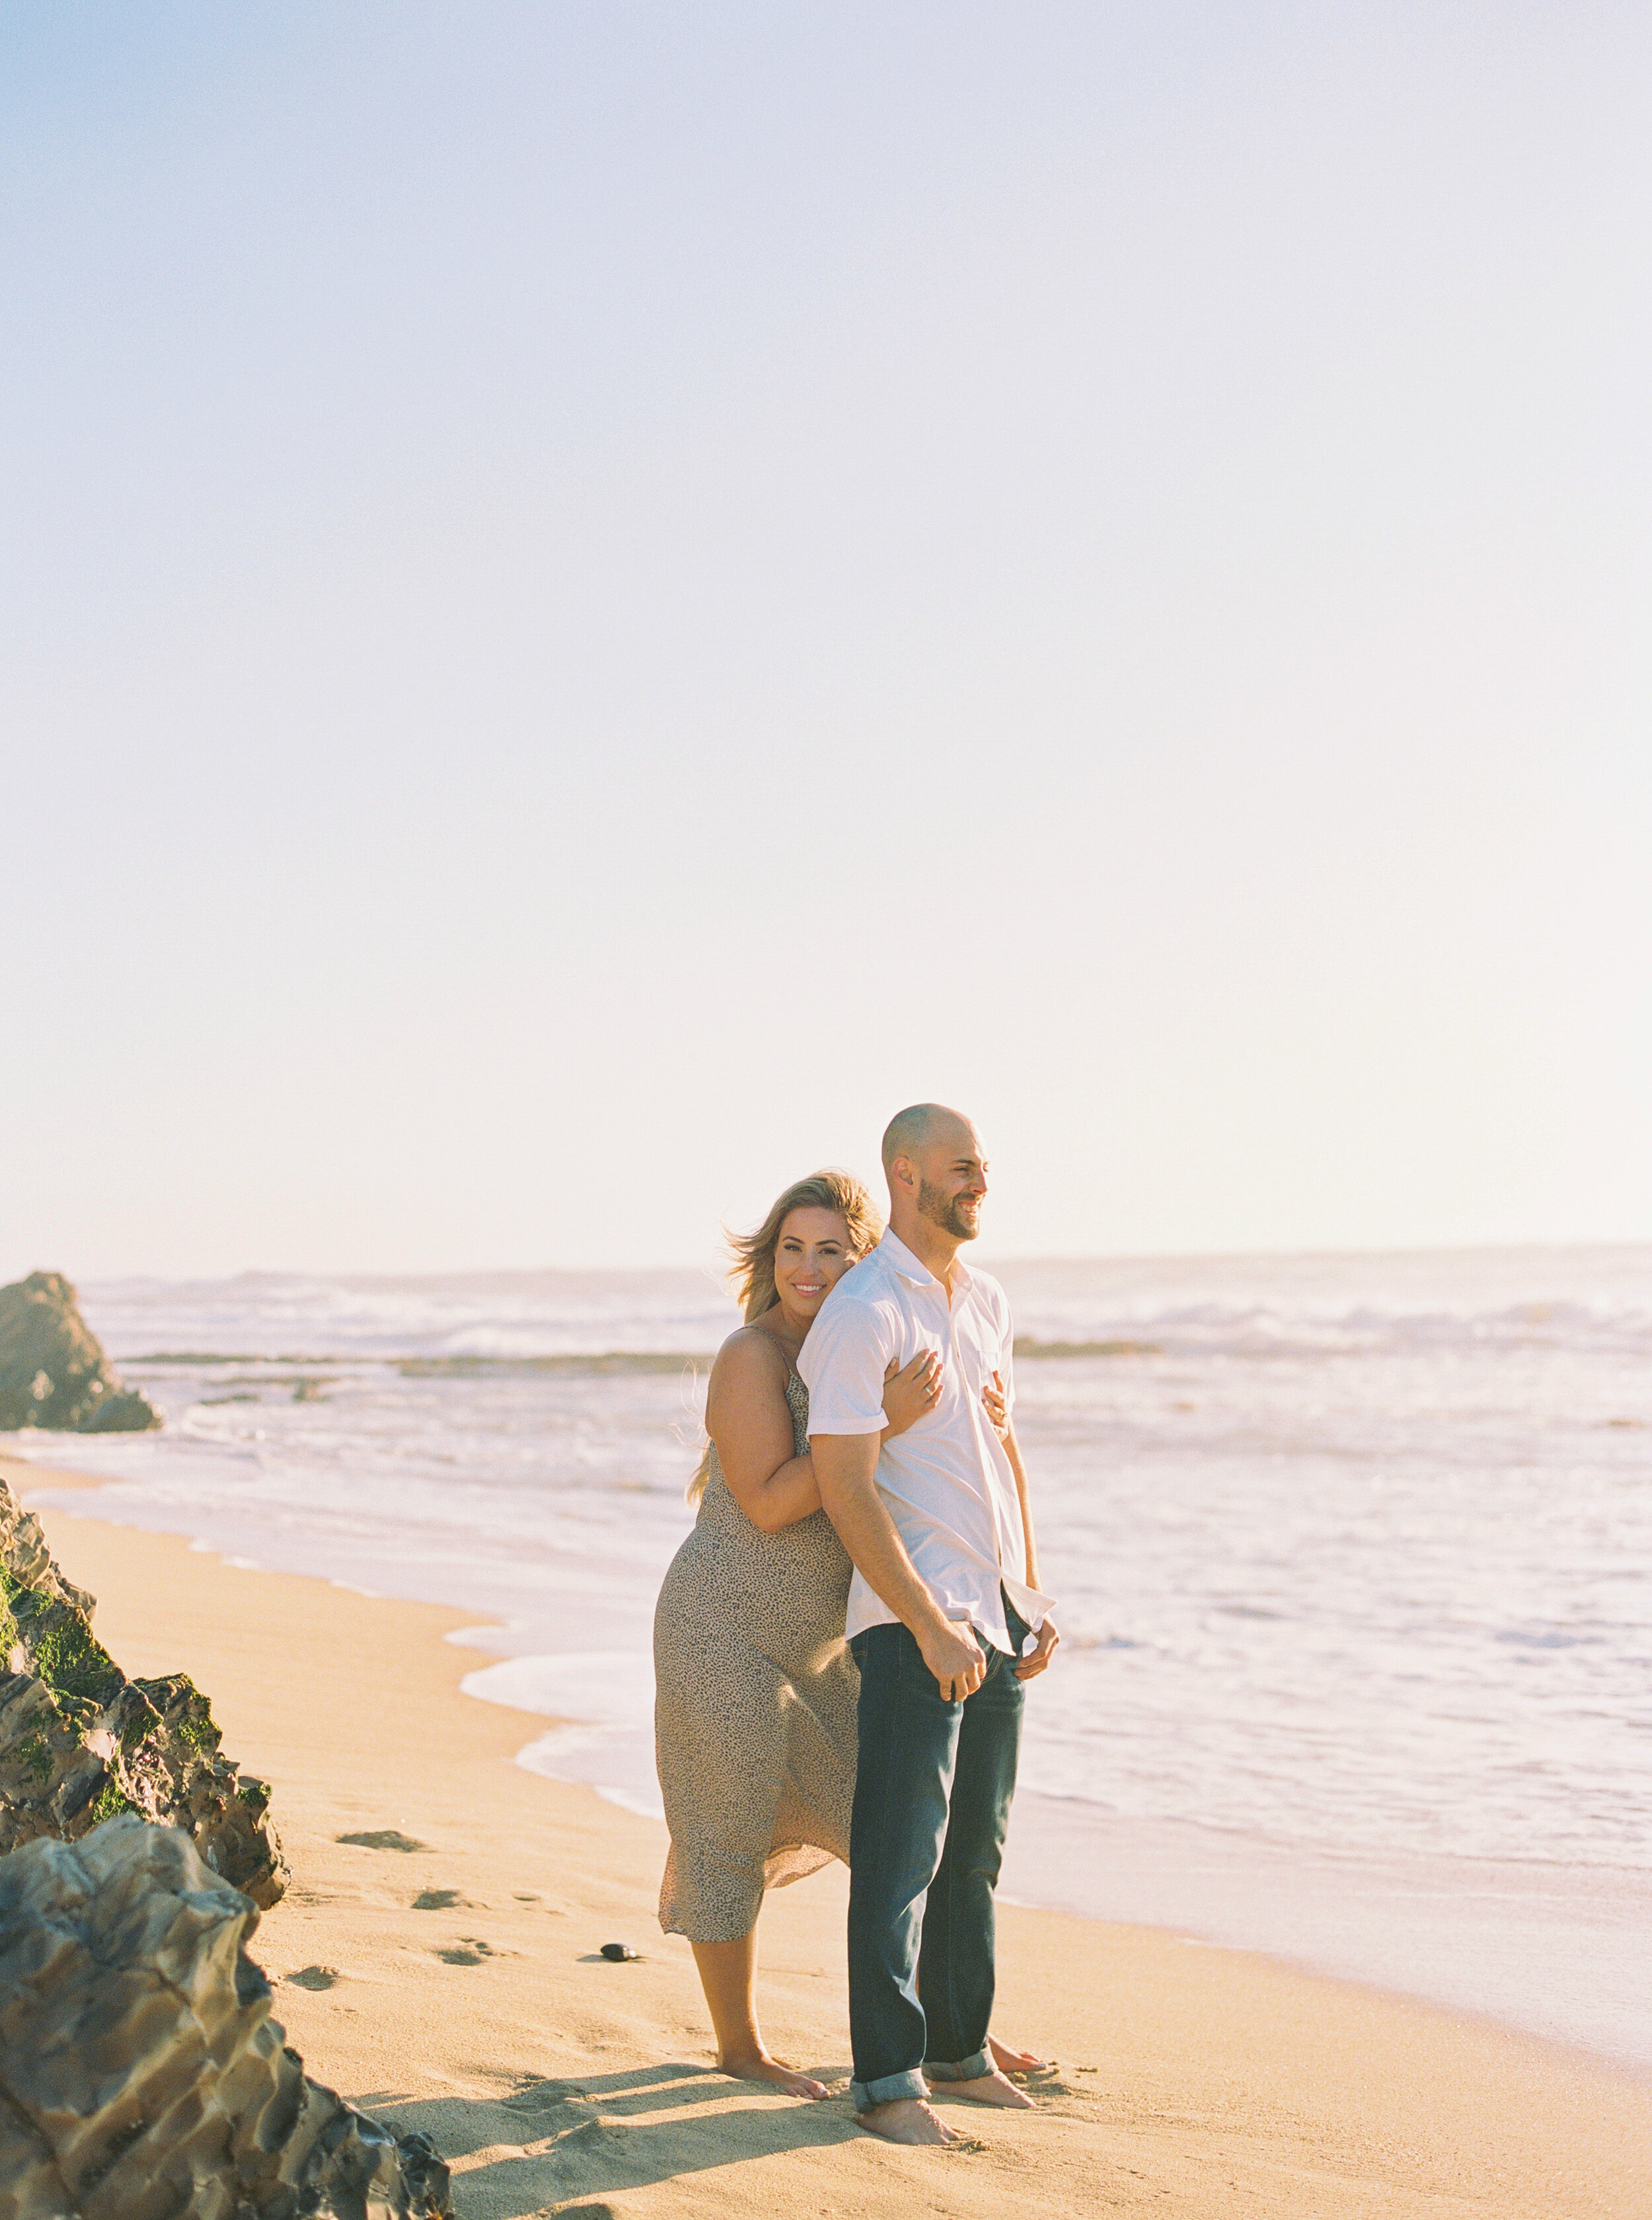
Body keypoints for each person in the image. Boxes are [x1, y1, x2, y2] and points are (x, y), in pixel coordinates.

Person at [652, 1169, 1038, 2099]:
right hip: (724, 1626)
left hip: (830, 1646)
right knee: (727, 1825)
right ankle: (739, 2048)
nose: (810, 1268)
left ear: (862, 1261)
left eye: (832, 1250)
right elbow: (771, 1502)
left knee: (906, 1831)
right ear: (770, 1259)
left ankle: (955, 2027)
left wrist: (978, 1426)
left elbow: (950, 1476)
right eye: (793, 1247)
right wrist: (873, 1426)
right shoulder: (753, 1356)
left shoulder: (884, 1344)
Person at [799, 1105, 1059, 2145]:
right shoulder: (864, 1313)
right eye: (963, 1169)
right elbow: (847, 1486)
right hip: (913, 1619)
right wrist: (929, 1622)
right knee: (902, 1854)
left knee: (975, 1852)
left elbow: (996, 1458)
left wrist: (1027, 1597)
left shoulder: (986, 1300)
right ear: (905, 1176)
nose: (980, 1183)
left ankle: (957, 2049)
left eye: (984, 1167)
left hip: (990, 1613)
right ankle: (890, 2080)